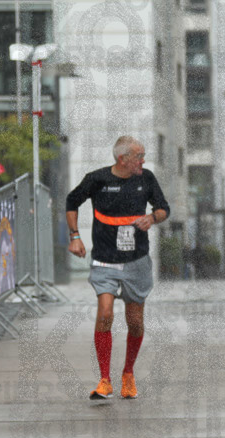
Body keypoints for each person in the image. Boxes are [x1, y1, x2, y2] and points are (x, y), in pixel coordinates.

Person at [66, 136, 169, 400]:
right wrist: (75, 237)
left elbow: (163, 208)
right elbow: (71, 201)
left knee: (135, 321)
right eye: (138, 156)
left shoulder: (146, 178)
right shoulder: (97, 179)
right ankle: (104, 380)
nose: (142, 161)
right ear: (122, 159)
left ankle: (128, 373)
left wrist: (152, 217)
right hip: (104, 260)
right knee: (105, 313)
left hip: (136, 260)